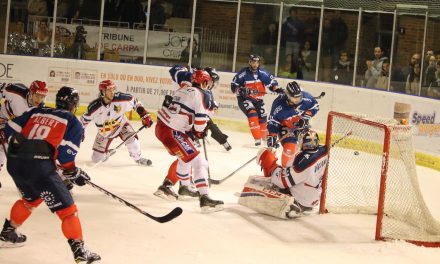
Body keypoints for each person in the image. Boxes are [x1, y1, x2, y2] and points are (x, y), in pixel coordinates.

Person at [0, 86, 101, 263]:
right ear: (74, 105)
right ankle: (80, 251)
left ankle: (8, 233)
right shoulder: (73, 122)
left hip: (15, 163)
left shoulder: (36, 111)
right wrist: (74, 172)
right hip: (39, 167)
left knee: (30, 199)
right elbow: (65, 157)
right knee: (69, 212)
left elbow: (8, 130)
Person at [154, 65, 232, 201]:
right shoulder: (202, 91)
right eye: (211, 81)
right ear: (205, 80)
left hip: (171, 123)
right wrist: (200, 130)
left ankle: (184, 186)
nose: (212, 84)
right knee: (194, 158)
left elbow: (175, 71)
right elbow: (202, 119)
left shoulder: (188, 83)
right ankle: (171, 186)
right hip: (178, 126)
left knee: (186, 157)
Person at [238, 130, 328, 219]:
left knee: (274, 182)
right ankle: (304, 204)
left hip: (303, 199)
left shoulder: (302, 163)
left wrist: (270, 165)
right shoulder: (323, 151)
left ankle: (297, 206)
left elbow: (283, 181)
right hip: (314, 196)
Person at [80, 80, 153, 165]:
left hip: (121, 125)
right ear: (102, 92)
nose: (112, 92)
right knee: (96, 159)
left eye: (113, 89)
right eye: (109, 90)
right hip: (104, 133)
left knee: (134, 144)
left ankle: (138, 158)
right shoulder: (94, 107)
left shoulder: (121, 99)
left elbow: (135, 102)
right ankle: (105, 153)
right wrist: (80, 131)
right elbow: (84, 120)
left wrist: (144, 115)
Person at [0, 81, 48, 188]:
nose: (39, 100)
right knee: (2, 146)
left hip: (15, 126)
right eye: (37, 96)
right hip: (3, 119)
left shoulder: (39, 109)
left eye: (42, 97)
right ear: (30, 92)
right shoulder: (15, 90)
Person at [230, 55, 284, 146]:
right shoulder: (243, 73)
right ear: (249, 62)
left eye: (257, 62)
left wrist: (277, 89)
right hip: (245, 99)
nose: (255, 64)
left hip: (258, 100)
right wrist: (241, 89)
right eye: (253, 62)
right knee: (252, 114)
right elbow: (233, 86)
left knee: (263, 119)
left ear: (259, 63)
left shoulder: (263, 73)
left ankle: (264, 138)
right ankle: (257, 139)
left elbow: (272, 84)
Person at [267, 81, 319, 167]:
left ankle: (307, 169)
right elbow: (273, 122)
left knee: (312, 143)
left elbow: (315, 106)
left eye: (299, 97)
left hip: (301, 125)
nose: (298, 100)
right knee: (289, 149)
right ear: (288, 96)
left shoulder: (306, 98)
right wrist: (272, 135)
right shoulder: (278, 105)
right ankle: (285, 172)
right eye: (295, 98)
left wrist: (305, 117)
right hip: (285, 127)